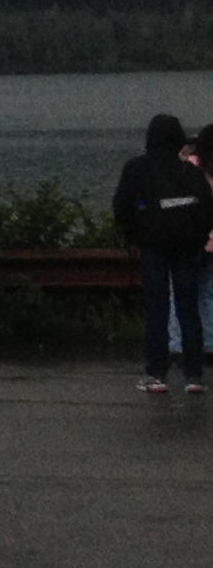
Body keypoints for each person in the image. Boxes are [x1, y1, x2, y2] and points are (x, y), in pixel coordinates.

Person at [113, 113, 210, 395]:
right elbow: (206, 209)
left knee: (158, 309)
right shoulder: (190, 172)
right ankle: (194, 376)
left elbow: (122, 206)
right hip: (188, 248)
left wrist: (134, 236)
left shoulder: (136, 169)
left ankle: (156, 373)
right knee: (188, 309)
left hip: (153, 247)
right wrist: (199, 237)